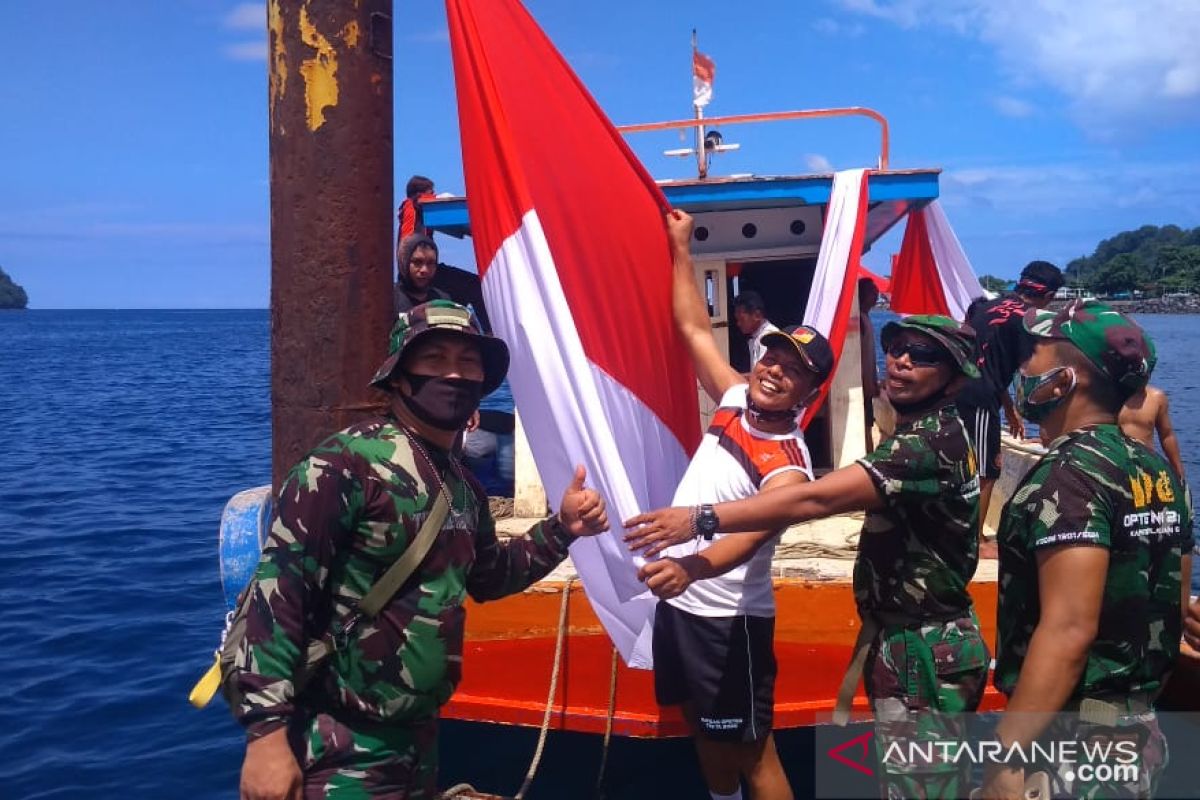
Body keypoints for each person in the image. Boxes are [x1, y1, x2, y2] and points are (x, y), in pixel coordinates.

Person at [234, 300, 608, 800]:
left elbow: (489, 577)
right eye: (435, 360)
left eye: (468, 362)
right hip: (338, 744)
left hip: (419, 743)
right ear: (400, 376)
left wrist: (562, 529)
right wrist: (265, 738)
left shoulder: (461, 486)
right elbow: (278, 595)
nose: (454, 373)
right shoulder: (345, 465)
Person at [626, 315, 987, 799]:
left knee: (925, 787)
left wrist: (698, 521)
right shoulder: (915, 432)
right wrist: (681, 247)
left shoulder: (927, 444)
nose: (901, 360)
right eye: (897, 347)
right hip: (900, 637)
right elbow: (692, 330)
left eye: (924, 355)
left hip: (925, 644)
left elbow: (810, 500)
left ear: (955, 378)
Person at [639, 210, 834, 800]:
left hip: (729, 622)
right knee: (701, 723)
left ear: (807, 392)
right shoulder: (730, 397)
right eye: (773, 357)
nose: (775, 371)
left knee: (754, 750)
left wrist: (689, 566)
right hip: (682, 606)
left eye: (794, 371)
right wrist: (681, 249)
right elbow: (695, 329)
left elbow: (753, 535)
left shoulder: (788, 464)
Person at [982, 299, 1192, 799]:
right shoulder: (1159, 473)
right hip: (1137, 733)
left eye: (1033, 355)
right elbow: (1175, 604)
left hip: (1070, 740)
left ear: (1066, 378)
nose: (1023, 367)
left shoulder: (1069, 478)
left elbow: (1069, 630)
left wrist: (1007, 756)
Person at [956, 261, 1063, 549]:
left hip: (957, 390)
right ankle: (975, 541)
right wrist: (1044, 424)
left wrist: (1008, 408)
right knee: (987, 469)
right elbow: (1031, 376)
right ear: (1050, 296)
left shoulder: (982, 306)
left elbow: (989, 359)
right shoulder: (1030, 321)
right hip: (978, 397)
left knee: (959, 461)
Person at [1119, 384, 1186, 479]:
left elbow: (1167, 435)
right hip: (1115, 463)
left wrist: (1179, 470)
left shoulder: (1156, 398)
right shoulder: (1107, 396)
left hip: (1146, 467)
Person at [394, 235, 450, 314]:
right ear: (404, 263)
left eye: (430, 263)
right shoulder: (389, 299)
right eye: (417, 262)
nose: (425, 270)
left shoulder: (443, 301)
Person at [858, 278, 881, 449]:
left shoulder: (864, 318)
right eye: (873, 293)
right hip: (862, 388)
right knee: (865, 428)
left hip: (867, 387)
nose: (876, 297)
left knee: (867, 425)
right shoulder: (860, 320)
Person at [732, 290, 780, 366]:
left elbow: (762, 373)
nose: (738, 324)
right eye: (737, 320)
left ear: (757, 315)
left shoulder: (768, 336)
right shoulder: (756, 337)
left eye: (741, 319)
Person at [397, 174, 436, 242]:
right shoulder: (411, 207)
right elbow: (407, 236)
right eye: (431, 193)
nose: (434, 196)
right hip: (415, 249)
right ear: (419, 195)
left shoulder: (416, 209)